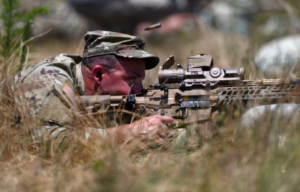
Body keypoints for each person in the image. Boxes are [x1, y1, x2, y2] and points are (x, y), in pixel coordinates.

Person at [0, 30, 175, 147]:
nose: (138, 89)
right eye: (132, 79)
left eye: (141, 80)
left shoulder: (104, 93)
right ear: (99, 74)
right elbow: (51, 141)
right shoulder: (48, 79)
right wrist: (129, 132)